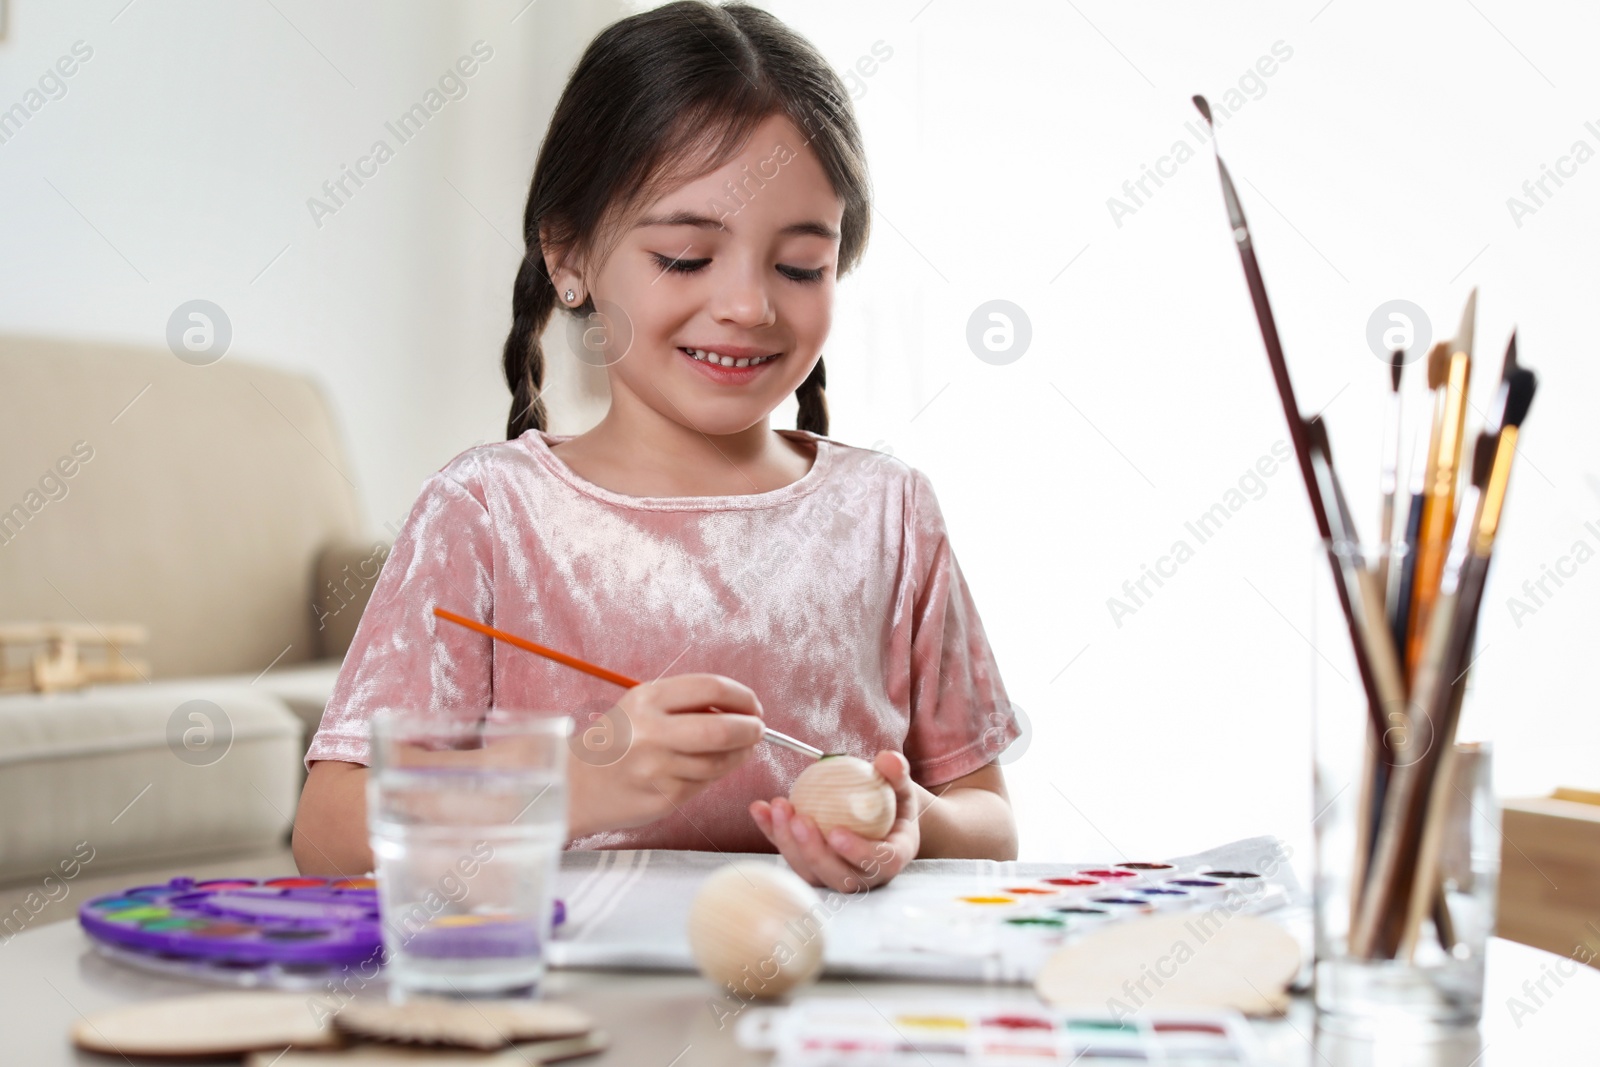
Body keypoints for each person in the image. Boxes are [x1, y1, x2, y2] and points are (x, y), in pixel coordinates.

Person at [293, 0, 1019, 893]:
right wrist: (570, 786)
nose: (750, 305)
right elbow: (329, 834)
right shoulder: (486, 511)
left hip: (818, 1010)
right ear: (568, 255)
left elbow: (989, 821)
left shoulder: (890, 513)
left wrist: (916, 825)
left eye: (799, 266)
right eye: (684, 256)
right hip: (566, 1009)